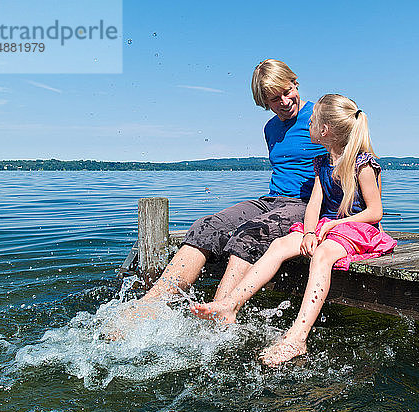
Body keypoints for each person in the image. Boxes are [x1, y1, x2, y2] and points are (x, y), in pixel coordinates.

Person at [190, 94, 397, 366]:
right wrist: (309, 232)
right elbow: (313, 206)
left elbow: (374, 212)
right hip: (328, 228)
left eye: (311, 122)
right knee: (278, 246)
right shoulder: (322, 163)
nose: (307, 125)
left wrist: (334, 225)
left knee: (322, 256)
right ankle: (231, 303)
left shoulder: (362, 164)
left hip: (358, 229)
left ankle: (298, 336)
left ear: (324, 130)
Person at [128, 59, 327, 315]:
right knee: (205, 226)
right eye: (274, 99)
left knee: (250, 233)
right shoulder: (271, 128)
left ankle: (218, 313)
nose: (284, 102)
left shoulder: (320, 116)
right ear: (264, 103)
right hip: (272, 200)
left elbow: (353, 158)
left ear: (295, 83)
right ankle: (147, 306)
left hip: (307, 204)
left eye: (287, 92)